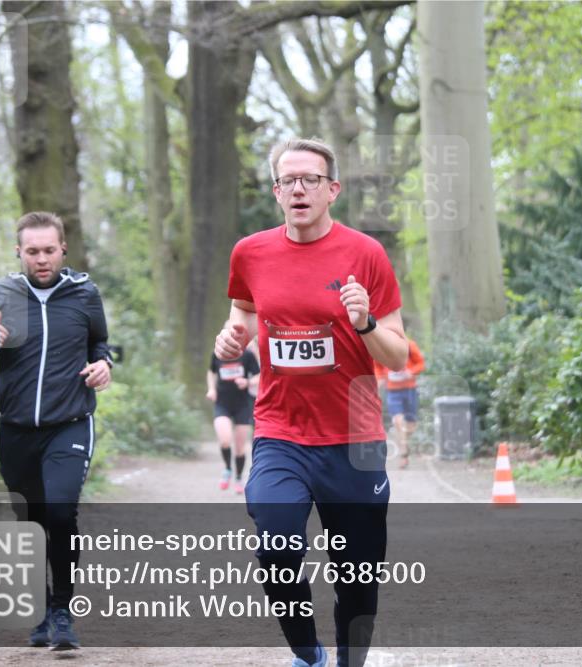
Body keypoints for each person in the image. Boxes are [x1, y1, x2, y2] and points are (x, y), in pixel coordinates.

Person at [215, 138, 409, 667]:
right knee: (276, 547)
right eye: (288, 181)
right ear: (276, 191)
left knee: (358, 580)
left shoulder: (366, 254)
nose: (298, 189)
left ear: (332, 190)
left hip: (356, 439)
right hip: (282, 434)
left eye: (310, 180)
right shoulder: (250, 253)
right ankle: (308, 654)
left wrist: (364, 321)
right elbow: (245, 315)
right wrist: (232, 337)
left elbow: (396, 355)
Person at [0, 211, 113, 651]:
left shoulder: (84, 294)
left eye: (49, 250)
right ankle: (39, 612)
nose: (42, 259)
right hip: (16, 429)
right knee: (30, 522)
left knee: (60, 512)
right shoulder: (0, 295)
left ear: (63, 249)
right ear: (19, 252)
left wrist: (104, 364)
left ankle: (62, 614)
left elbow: (100, 341)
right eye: (33, 251)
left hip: (70, 423)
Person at [207, 349, 260, 494]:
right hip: (222, 404)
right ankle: (227, 469)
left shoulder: (247, 354)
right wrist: (211, 389)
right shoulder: (218, 353)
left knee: (240, 447)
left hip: (242, 405)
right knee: (225, 440)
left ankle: (238, 478)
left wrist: (248, 382)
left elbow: (260, 375)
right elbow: (211, 372)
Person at [374, 338, 425, 468]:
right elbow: (377, 366)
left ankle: (403, 440)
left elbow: (420, 363)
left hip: (410, 389)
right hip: (392, 391)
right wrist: (380, 379)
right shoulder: (381, 345)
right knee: (398, 420)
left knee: (412, 425)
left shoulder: (409, 344)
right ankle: (403, 453)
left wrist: (411, 372)